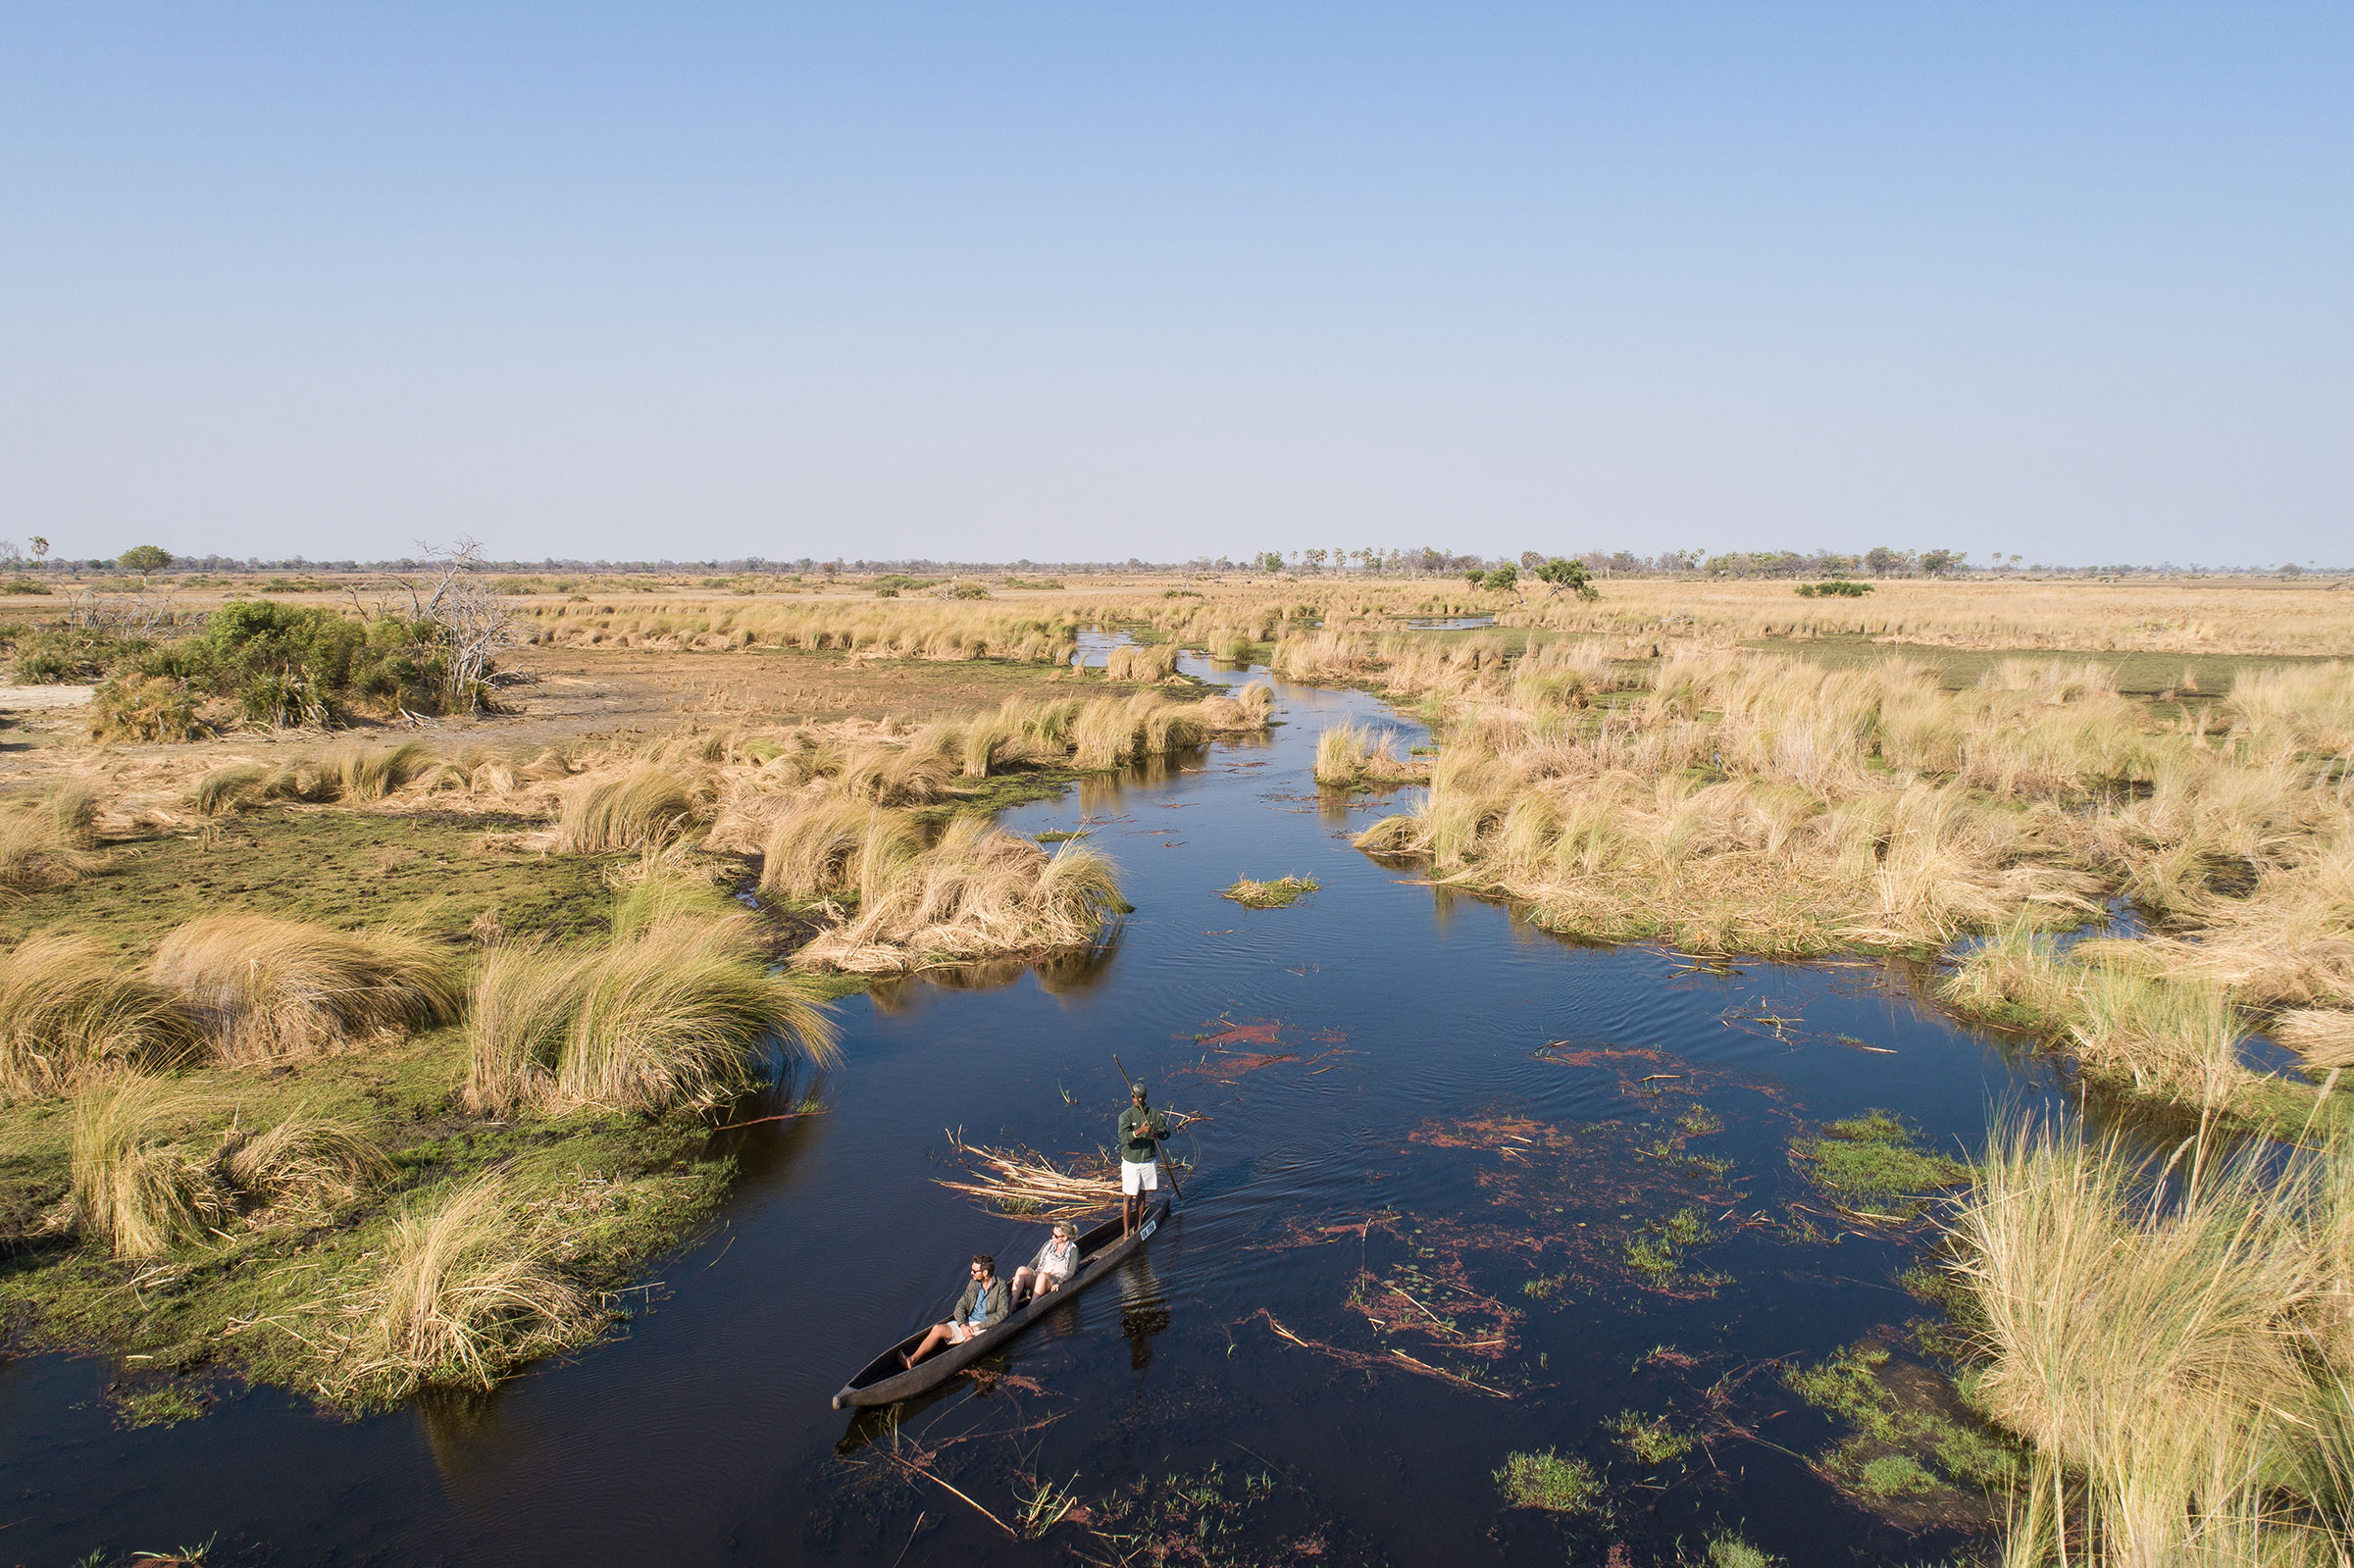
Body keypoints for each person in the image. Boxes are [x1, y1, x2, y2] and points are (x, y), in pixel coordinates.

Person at [901, 1254, 1009, 1368]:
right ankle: (912, 1360)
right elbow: (961, 1305)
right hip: (968, 1322)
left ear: (985, 1273)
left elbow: (1002, 1313)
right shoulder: (973, 1284)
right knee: (938, 1329)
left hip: (985, 1326)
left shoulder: (1001, 1286)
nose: (971, 1273)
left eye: (974, 1271)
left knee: (969, 1341)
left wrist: (977, 1327)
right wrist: (962, 1325)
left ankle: (947, 1367)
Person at [1118, 1083, 1170, 1236]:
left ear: (1145, 1097)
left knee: (1142, 1194)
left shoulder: (1153, 1114)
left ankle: (1139, 1226)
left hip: (1147, 1160)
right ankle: (1126, 1233)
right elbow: (1123, 1138)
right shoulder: (1126, 1116)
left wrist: (1156, 1134)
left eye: (1140, 1097)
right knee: (1128, 1196)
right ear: (1131, 1098)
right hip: (1131, 1162)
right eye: (1134, 1097)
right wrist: (1138, 1131)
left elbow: (1166, 1133)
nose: (1137, 1100)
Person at [1011, 1221, 1080, 1304]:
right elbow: (1036, 1261)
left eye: (1056, 1236)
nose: (1052, 1237)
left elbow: (1071, 1272)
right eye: (1052, 1233)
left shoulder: (1073, 1250)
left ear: (1065, 1238)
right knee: (1021, 1269)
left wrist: (1059, 1283)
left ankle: (1032, 1306)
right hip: (1040, 1276)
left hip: (1054, 1280)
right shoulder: (1048, 1244)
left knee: (1043, 1276)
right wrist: (1023, 1274)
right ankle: (1012, 1304)